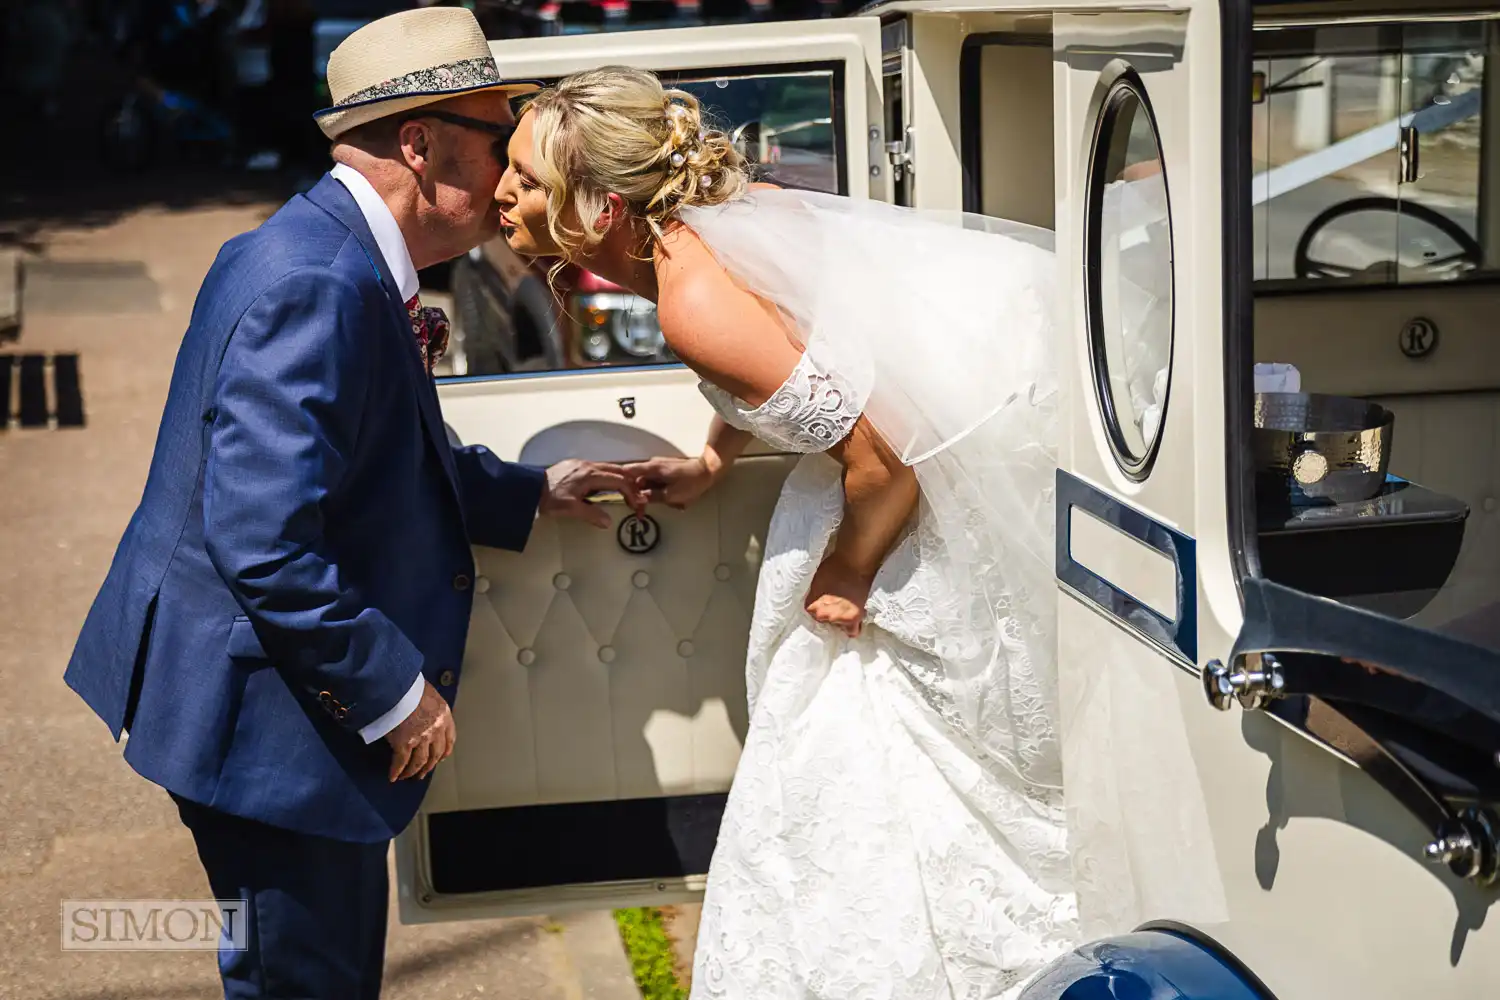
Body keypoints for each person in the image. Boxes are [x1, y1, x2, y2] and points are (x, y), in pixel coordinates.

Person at [64, 10, 639, 998]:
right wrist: (388, 689)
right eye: (496, 137)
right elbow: (263, 536)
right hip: (263, 726)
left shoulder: (332, 251)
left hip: (258, 700)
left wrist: (529, 490)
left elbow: (376, 457)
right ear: (419, 144)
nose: (510, 173)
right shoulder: (323, 282)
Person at [495, 66, 1077, 999]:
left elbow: (886, 461)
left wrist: (843, 576)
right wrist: (717, 460)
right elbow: (806, 356)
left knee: (855, 766)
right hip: (915, 471)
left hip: (904, 509)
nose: (501, 193)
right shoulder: (727, 221)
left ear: (600, 208)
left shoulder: (691, 304)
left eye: (525, 179)